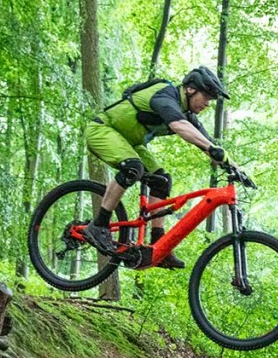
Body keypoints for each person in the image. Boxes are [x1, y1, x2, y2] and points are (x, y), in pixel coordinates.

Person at [82, 66, 233, 269]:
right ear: (190, 89)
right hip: (103, 130)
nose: (207, 103)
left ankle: (158, 245)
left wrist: (236, 169)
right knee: (133, 168)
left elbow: (210, 144)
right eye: (206, 96)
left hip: (130, 143)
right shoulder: (165, 95)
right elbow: (179, 126)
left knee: (161, 181)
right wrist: (211, 149)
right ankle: (98, 225)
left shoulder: (186, 114)